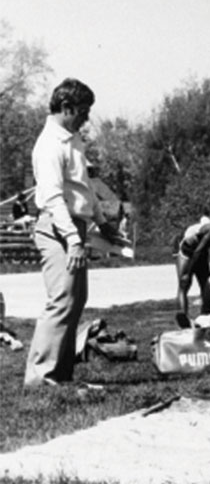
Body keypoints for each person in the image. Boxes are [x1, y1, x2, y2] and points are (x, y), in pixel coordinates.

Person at [24, 78, 125, 387]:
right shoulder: (50, 145)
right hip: (57, 228)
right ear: (66, 108)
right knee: (61, 301)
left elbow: (83, 190)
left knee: (75, 300)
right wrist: (72, 241)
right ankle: (41, 379)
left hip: (75, 226)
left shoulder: (72, 139)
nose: (86, 117)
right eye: (83, 110)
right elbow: (54, 198)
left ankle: (62, 374)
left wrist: (101, 222)